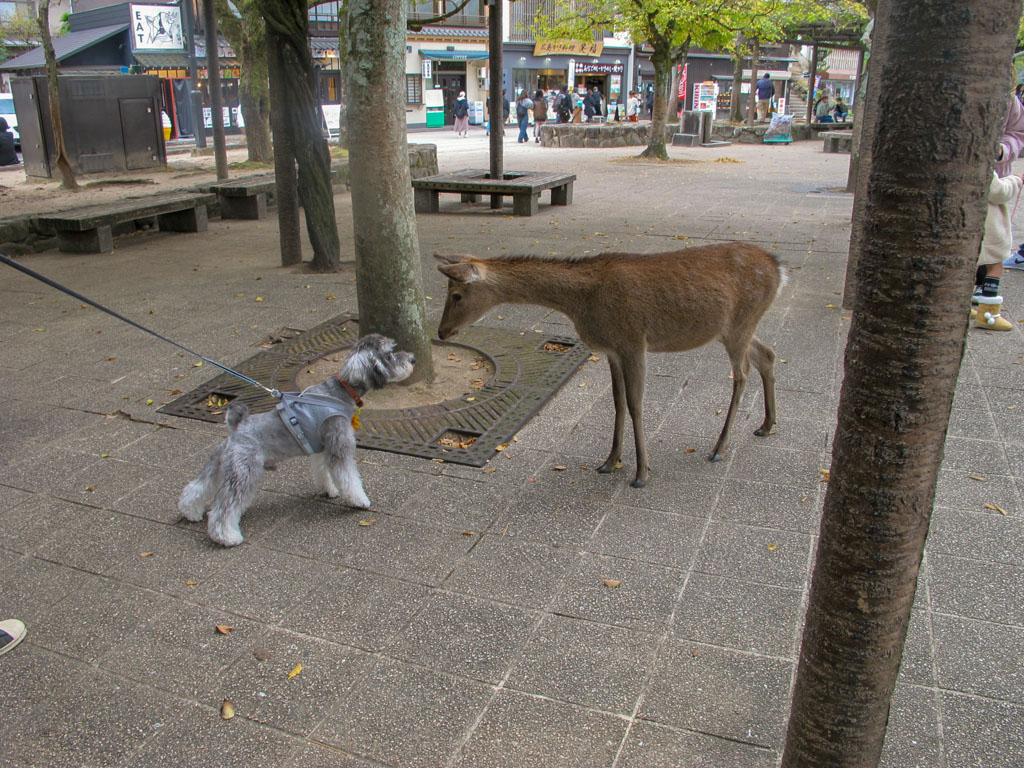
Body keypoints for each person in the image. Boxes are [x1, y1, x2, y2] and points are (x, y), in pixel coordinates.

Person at [973, 170, 1024, 331]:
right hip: (988, 227)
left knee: (968, 268)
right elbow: (997, 192)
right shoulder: (980, 164)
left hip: (966, 226)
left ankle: (959, 307)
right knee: (995, 266)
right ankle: (988, 314)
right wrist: (1015, 180)